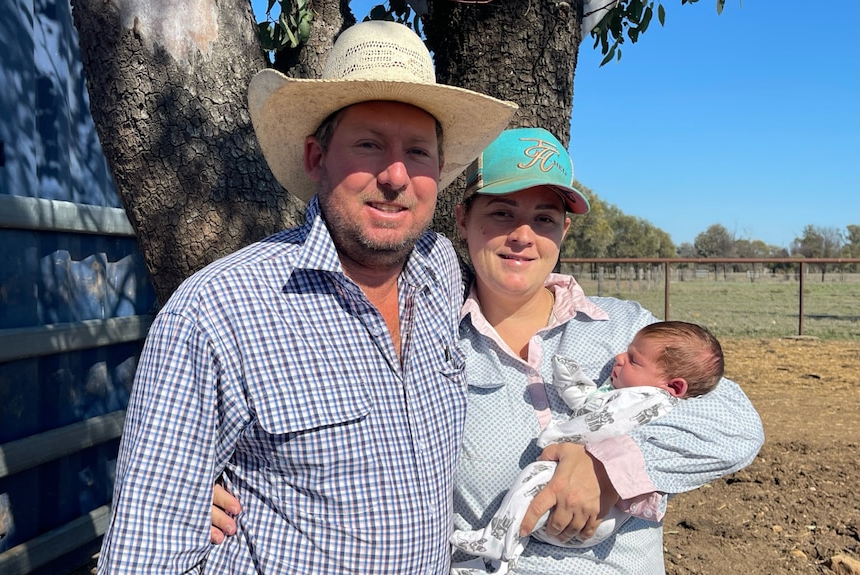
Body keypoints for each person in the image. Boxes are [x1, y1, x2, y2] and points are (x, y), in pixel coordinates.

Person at [209, 127, 764, 575]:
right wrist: (230, 483)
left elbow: (736, 424)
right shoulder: (426, 338)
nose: (523, 234)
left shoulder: (624, 328)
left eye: (544, 218)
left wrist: (606, 463)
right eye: (501, 212)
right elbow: (346, 445)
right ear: (464, 219)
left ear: (564, 232)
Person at [96, 21, 518, 574]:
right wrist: (179, 498)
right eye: (369, 145)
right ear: (317, 157)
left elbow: (525, 290)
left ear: (438, 172)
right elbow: (146, 554)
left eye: (418, 152)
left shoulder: (438, 270)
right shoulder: (218, 311)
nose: (396, 176)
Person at [450, 321, 725, 573]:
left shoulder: (648, 400)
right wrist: (572, 381)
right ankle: (498, 557)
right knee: (531, 496)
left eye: (633, 360)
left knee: (533, 477)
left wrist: (557, 435)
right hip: (596, 516)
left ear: (674, 386)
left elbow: (597, 423)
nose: (619, 358)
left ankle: (495, 541)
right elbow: (591, 405)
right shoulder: (634, 397)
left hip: (593, 514)